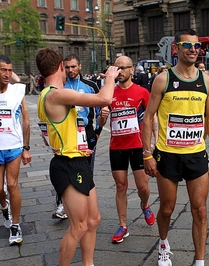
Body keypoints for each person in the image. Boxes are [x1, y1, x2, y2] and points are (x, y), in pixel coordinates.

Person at [141, 29, 209, 266]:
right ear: (176, 48)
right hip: (168, 155)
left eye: (197, 46)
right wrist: (147, 154)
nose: (193, 50)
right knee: (166, 209)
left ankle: (200, 261)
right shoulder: (163, 79)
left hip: (196, 154)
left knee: (201, 211)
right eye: (188, 45)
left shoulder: (206, 81)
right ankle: (163, 244)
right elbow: (148, 117)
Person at [36, 47, 120, 266]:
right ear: (61, 67)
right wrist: (111, 76)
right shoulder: (56, 94)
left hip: (77, 159)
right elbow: (104, 98)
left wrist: (78, 146)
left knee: (93, 220)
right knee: (79, 226)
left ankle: (88, 264)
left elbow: (56, 131)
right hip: (68, 165)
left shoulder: (48, 95)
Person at [98, 56, 157, 244]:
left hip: (138, 146)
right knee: (121, 186)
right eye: (117, 68)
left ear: (132, 70)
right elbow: (101, 123)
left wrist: (155, 141)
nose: (120, 71)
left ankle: (145, 204)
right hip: (117, 147)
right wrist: (102, 116)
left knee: (143, 187)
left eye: (124, 68)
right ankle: (123, 225)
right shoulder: (108, 93)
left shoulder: (142, 92)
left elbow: (152, 118)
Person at [51, 54, 103, 220]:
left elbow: (101, 109)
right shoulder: (61, 86)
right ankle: (61, 204)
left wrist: (97, 130)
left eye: (73, 66)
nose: (70, 70)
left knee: (86, 168)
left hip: (86, 131)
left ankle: (86, 199)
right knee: (64, 167)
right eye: (67, 67)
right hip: (66, 133)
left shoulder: (90, 85)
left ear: (80, 66)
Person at [0, 55, 32, 245]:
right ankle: (4, 207)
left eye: (10, 70)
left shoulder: (17, 91)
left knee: (12, 186)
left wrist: (26, 148)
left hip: (13, 146)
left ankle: (15, 224)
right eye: (3, 69)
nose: (7, 74)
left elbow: (26, 120)